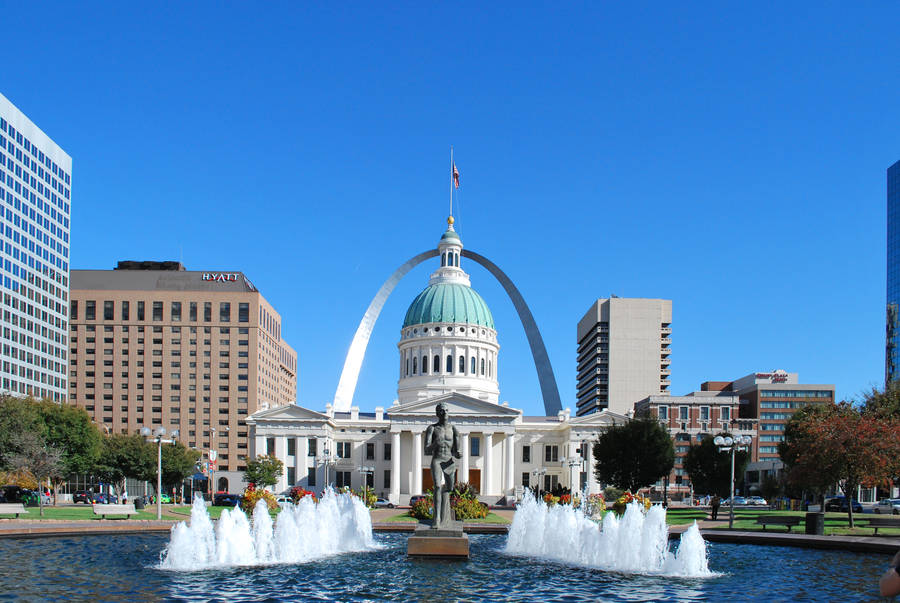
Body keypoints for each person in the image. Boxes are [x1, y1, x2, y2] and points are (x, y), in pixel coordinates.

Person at [424, 401, 461, 529]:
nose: (444, 412)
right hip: (437, 460)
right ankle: (437, 519)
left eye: (446, 410)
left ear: (448, 412)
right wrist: (435, 444)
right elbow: (427, 450)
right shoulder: (432, 429)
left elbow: (456, 450)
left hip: (449, 461)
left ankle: (445, 514)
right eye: (441, 410)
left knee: (449, 488)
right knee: (438, 486)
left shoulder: (454, 429)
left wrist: (458, 454)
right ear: (437, 413)